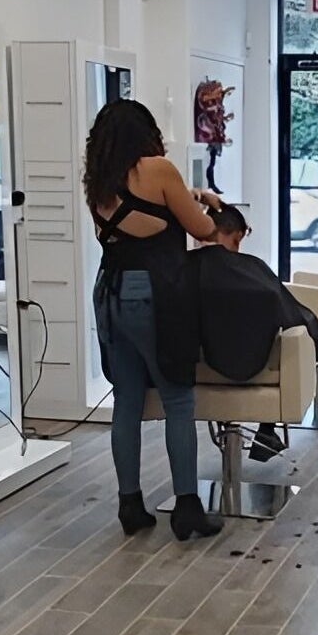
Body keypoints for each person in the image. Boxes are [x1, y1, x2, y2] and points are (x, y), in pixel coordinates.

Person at [85, 99, 225, 540]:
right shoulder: (159, 169)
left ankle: (131, 505)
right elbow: (202, 230)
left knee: (127, 398)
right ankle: (187, 507)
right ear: (145, 133)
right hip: (155, 295)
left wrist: (192, 196)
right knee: (177, 399)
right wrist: (207, 203)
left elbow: (140, 219)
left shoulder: (99, 182)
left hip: (109, 292)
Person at [190, 206, 318, 460]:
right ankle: (266, 428)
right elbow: (295, 319)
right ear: (234, 235)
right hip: (259, 369)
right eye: (237, 242)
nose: (238, 249)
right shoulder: (253, 270)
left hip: (196, 369)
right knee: (301, 333)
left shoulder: (183, 269)